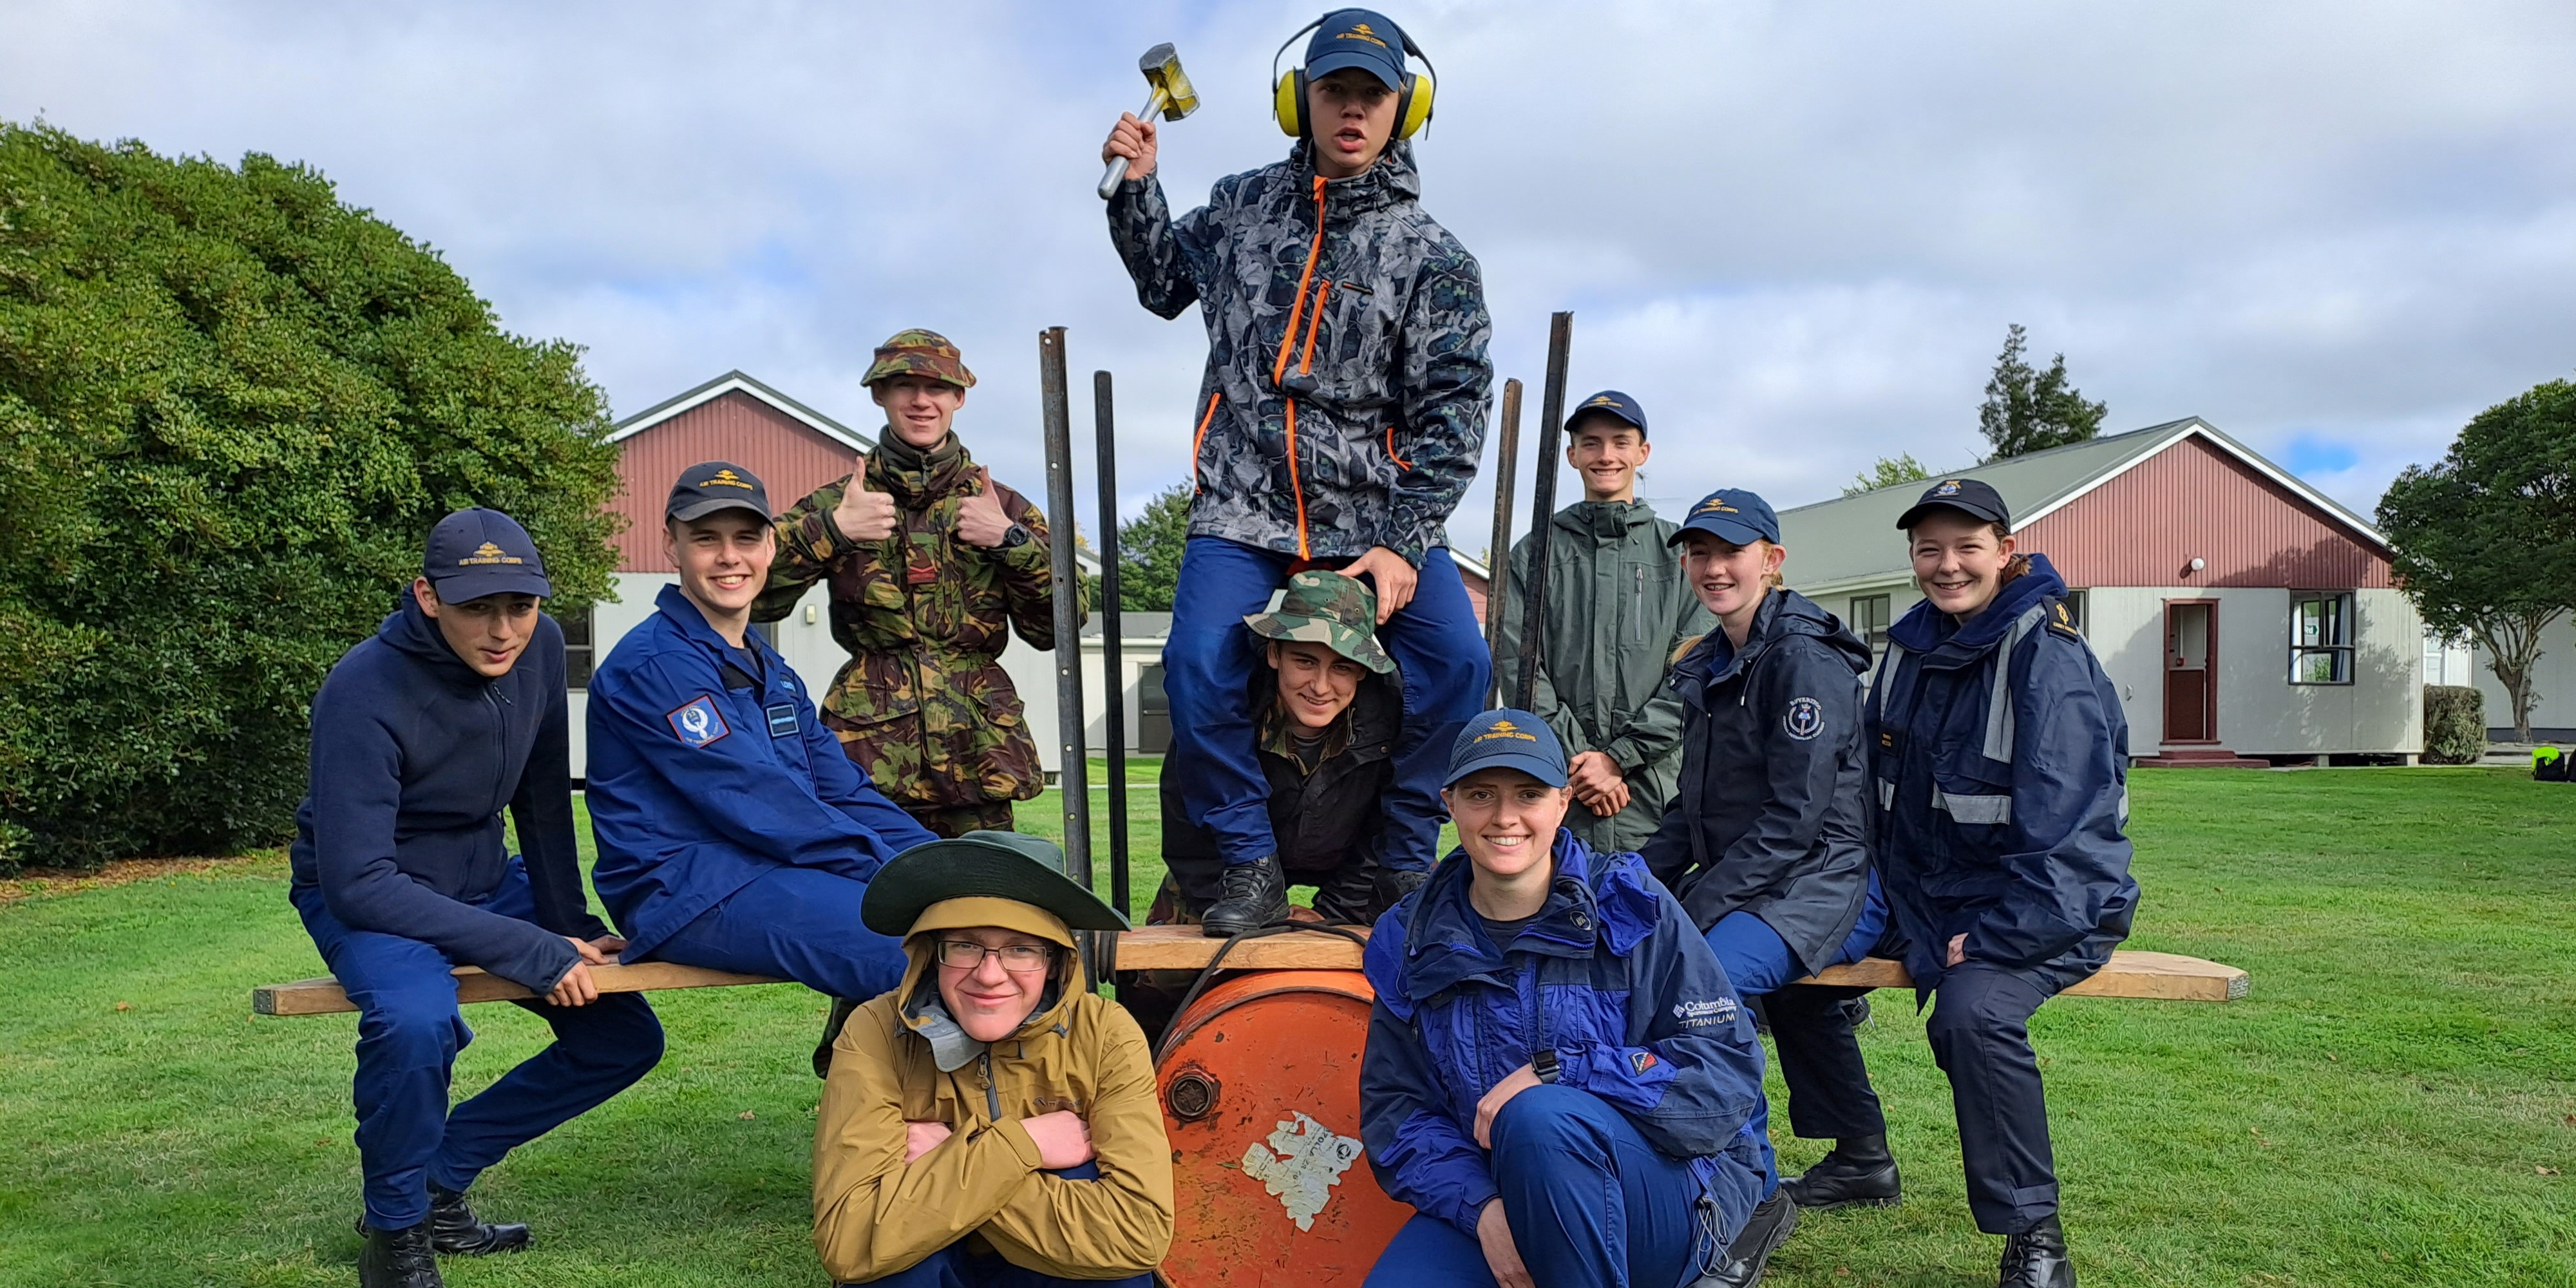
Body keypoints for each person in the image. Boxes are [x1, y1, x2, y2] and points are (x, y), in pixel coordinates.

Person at [1101, 7, 1495, 935]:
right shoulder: (1240, 206)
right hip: (1242, 509)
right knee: (1195, 663)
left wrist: (1405, 544)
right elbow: (1161, 285)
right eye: (1333, 92)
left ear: (1406, 107)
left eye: (1372, 95)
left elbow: (1453, 417)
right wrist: (1137, 190)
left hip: (1374, 518)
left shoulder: (1435, 257)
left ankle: (1399, 864)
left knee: (1459, 662)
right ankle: (1246, 862)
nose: (1351, 111)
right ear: (1298, 100)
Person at [289, 509, 663, 1288]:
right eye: (476, 608)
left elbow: (542, 798)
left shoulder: (542, 649)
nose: (503, 631)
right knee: (416, 1021)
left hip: (486, 876)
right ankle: (395, 1235)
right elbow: (358, 878)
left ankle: (436, 1177)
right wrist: (527, 949)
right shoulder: (361, 688)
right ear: (428, 596)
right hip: (371, 890)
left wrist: (566, 923)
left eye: (520, 606)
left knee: (623, 1036)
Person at [1358, 710, 1795, 1288]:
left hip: (1669, 1192)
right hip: (1500, 1193)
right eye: (1482, 794)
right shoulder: (1410, 936)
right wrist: (1484, 1210)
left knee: (1540, 1116)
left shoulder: (1634, 906)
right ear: (1450, 804)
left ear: (1563, 803)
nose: (1505, 817)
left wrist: (1562, 1072)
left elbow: (1722, 1083)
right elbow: (1398, 1113)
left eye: (1529, 794)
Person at [1858, 477, 2141, 1288]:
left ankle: (2034, 1235)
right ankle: (1856, 1156)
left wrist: (1991, 937)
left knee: (1972, 1017)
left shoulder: (2045, 657)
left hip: (2049, 907)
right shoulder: (1911, 646)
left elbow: (2076, 842)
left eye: (1966, 547)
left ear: (2004, 551)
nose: (1946, 566)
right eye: (1928, 549)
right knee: (1782, 959)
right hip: (1926, 895)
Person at [585, 462, 942, 1066]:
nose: (729, 558)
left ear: (771, 546)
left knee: (975, 937)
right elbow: (755, 801)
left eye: (745, 538)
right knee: (914, 954)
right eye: (706, 539)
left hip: (763, 871)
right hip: (688, 891)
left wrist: (942, 865)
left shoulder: (767, 669)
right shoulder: (658, 664)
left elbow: (844, 791)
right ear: (670, 544)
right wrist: (895, 874)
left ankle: (962, 1144)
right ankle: (920, 1147)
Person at [1635, 486, 1892, 1285]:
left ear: (1771, 562)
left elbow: (1795, 819)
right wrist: (1629, 881)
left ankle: (1744, 1188)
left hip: (1830, 876)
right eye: (1700, 553)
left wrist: (1691, 904)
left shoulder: (1802, 659)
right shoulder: (1712, 659)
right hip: (1768, 875)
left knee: (1707, 975)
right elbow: (1691, 806)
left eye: (1731, 552)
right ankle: (1864, 1158)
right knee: (1778, 985)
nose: (1714, 568)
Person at [755, 328, 1079, 840]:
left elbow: (1060, 625)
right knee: (872, 904)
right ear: (879, 395)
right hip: (872, 752)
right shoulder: (841, 502)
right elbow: (750, 595)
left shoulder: (1004, 507)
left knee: (980, 903)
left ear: (959, 398)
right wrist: (836, 532)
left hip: (978, 750)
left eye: (937, 387)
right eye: (904, 385)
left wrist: (1009, 542)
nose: (922, 401)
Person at [812, 831, 1172, 1286]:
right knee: (892, 1266)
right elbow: (850, 1240)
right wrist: (1023, 1146)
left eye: (1021, 949)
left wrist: (946, 1157)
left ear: (1057, 963)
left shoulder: (1104, 1034)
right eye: (965, 945)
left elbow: (1137, 1234)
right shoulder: (876, 1032)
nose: (989, 975)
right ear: (932, 954)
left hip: (1053, 1271)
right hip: (935, 1270)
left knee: (1108, 1260)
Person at [1497, 390, 1712, 855]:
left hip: (1654, 795)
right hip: (1560, 790)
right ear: (1572, 455)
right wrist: (1583, 762)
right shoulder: (1535, 553)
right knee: (1555, 914)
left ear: (1643, 453)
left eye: (1620, 441)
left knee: (1649, 916)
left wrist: (1618, 759)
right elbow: (1518, 665)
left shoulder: (1678, 553)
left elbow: (1696, 668)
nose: (1606, 455)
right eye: (1591, 443)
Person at [1154, 569, 1416, 927]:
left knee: (1410, 921)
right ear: (1274, 653)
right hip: (1232, 869)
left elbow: (1393, 828)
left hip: (1355, 869)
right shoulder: (1221, 720)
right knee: (1162, 970)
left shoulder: (1393, 719)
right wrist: (1254, 911)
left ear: (1363, 672)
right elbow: (1187, 830)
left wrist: (1334, 912)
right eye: (1305, 661)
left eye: (1342, 666)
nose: (1321, 687)